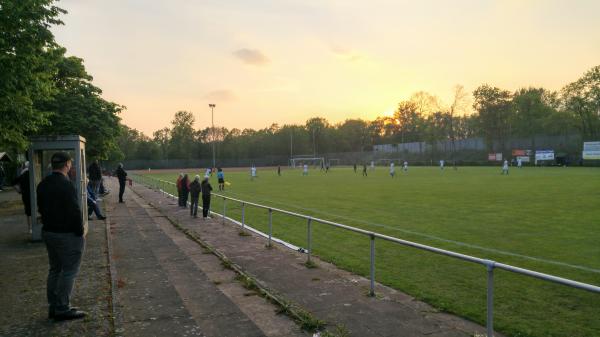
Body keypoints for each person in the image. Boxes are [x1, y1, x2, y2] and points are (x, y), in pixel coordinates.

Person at [37, 152, 87, 321]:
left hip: (49, 232)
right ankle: (62, 308)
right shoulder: (67, 185)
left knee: (55, 269)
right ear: (67, 164)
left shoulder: (43, 184)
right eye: (70, 163)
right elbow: (74, 211)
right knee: (69, 271)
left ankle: (53, 305)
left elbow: (41, 208)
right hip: (66, 235)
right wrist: (80, 232)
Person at [12, 161, 32, 233]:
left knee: (28, 212)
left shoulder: (23, 174)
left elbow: (13, 182)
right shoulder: (33, 173)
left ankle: (30, 228)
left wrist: (19, 190)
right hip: (33, 194)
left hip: (25, 195)